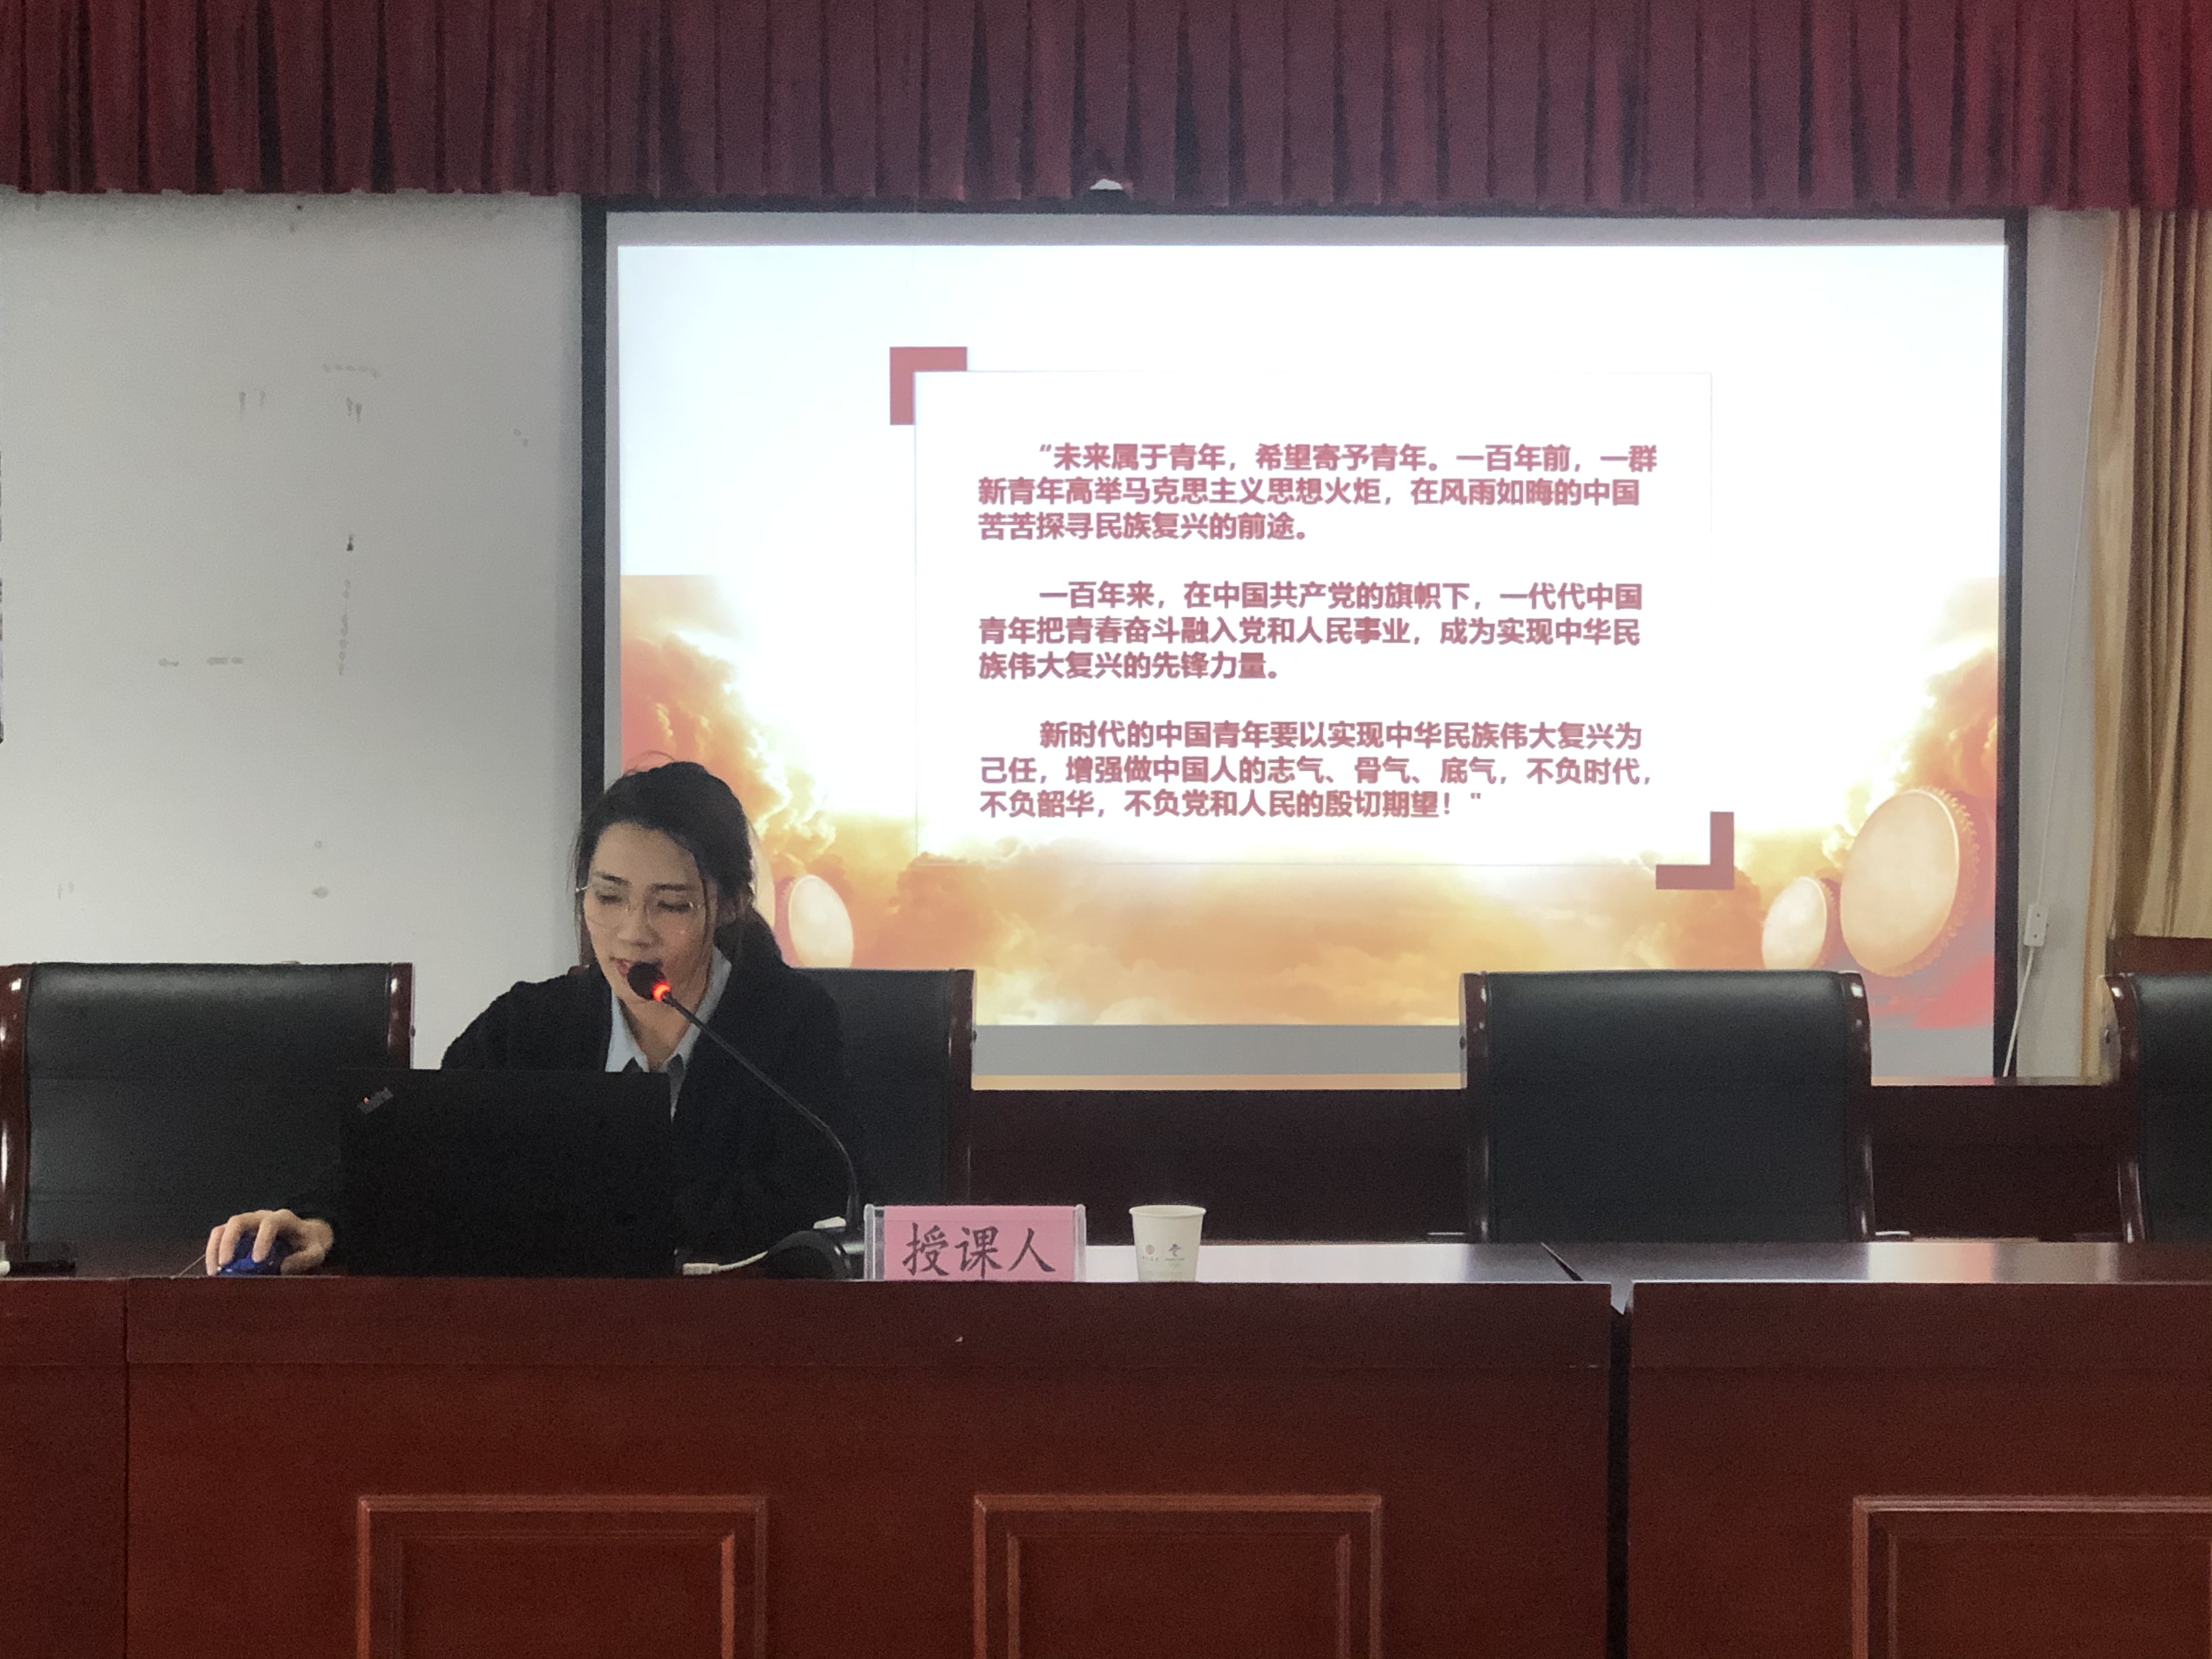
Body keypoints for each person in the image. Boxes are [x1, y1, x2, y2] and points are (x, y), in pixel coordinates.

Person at [205, 761, 848, 1274]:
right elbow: (415, 1153)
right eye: (608, 897)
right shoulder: (527, 1026)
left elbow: (815, 1201)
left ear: (730, 905)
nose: (632, 933)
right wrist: (322, 1221)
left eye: (671, 905)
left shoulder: (792, 1028)